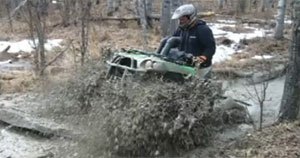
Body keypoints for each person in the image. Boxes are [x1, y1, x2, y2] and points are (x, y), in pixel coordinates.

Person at [157, 4, 216, 79]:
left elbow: (210, 48)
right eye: (180, 19)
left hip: (201, 68)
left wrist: (202, 58)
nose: (180, 21)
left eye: (183, 19)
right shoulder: (181, 29)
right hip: (185, 64)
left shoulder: (202, 29)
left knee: (202, 88)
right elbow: (172, 42)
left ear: (190, 17)